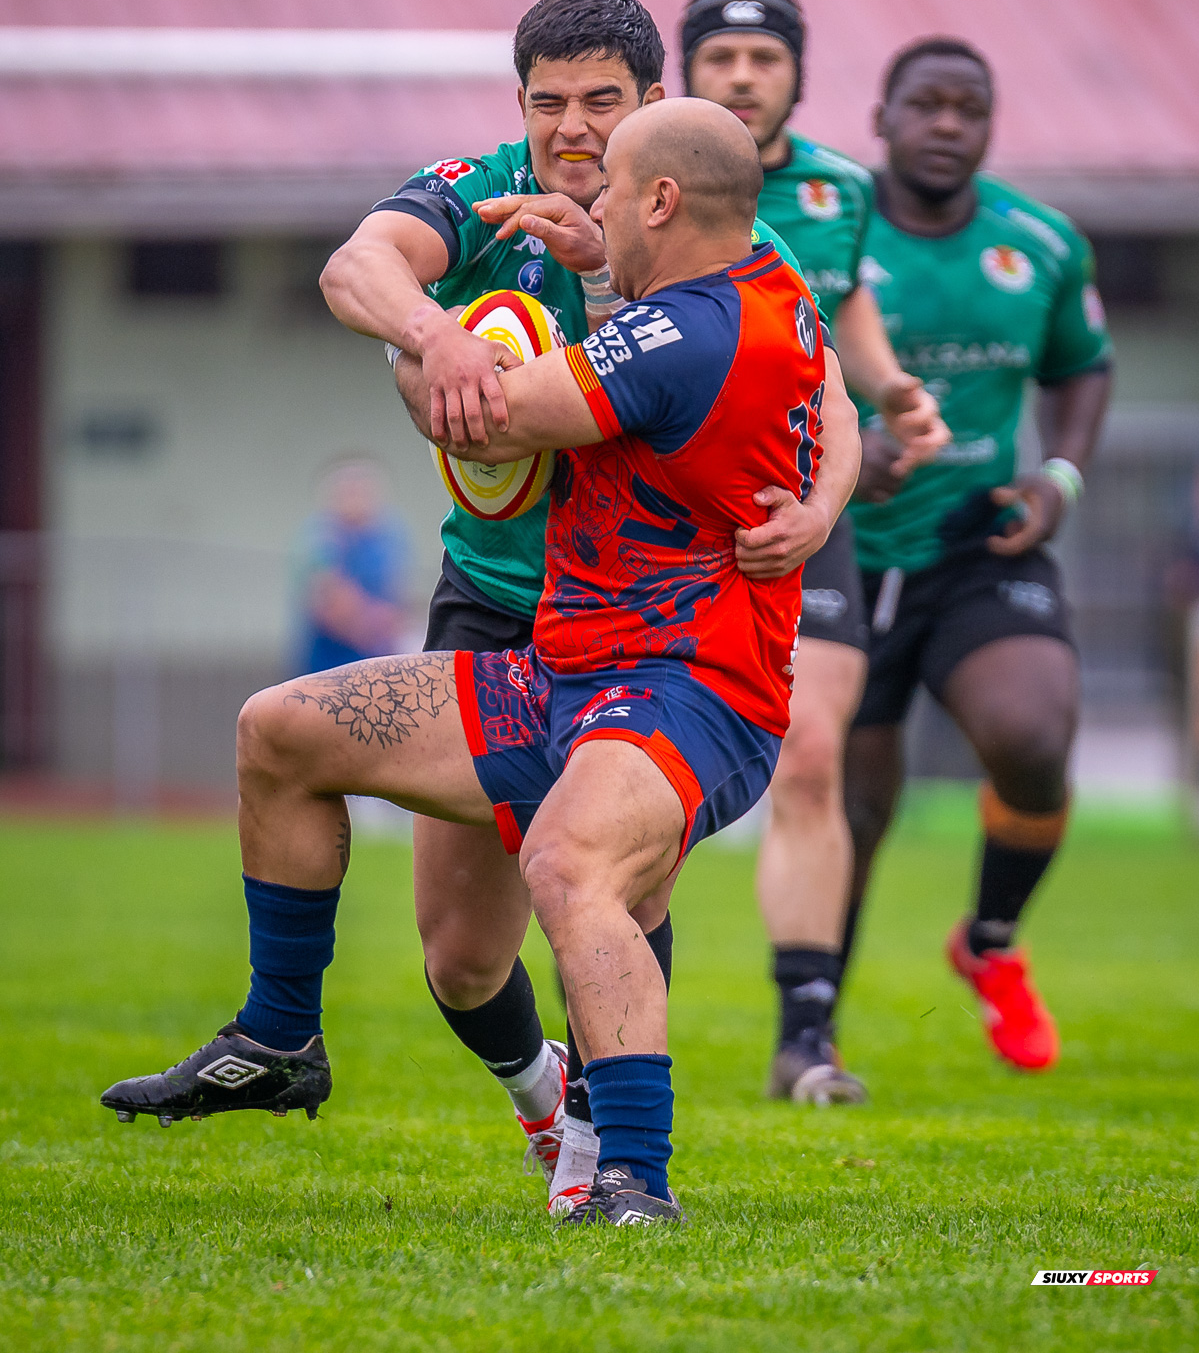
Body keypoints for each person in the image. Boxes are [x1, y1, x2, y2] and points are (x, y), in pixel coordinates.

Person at [99, 97, 862, 1227]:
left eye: (614, 187)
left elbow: (492, 420)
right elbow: (833, 395)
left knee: (568, 863)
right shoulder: (772, 287)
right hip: (562, 669)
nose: (594, 203)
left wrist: (427, 339)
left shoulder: (685, 333)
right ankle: (280, 1036)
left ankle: (633, 1181)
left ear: (660, 199)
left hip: (691, 687)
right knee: (280, 731)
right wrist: (820, 497)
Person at [308, 0, 834, 1212]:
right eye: (549, 102)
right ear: (521, 105)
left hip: (650, 626)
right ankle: (542, 1096)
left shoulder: (705, 220)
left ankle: (613, 1153)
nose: (574, 127)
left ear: (653, 104)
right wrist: (435, 336)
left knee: (606, 875)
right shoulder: (483, 189)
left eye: (603, 101)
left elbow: (830, 394)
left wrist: (819, 508)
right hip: (497, 596)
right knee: (459, 952)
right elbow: (356, 266)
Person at [680, 0, 948, 1105]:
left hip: (806, 507)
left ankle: (807, 1035)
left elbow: (847, 314)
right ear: (686, 72)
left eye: (765, 60)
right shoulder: (645, 180)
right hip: (668, 514)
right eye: (721, 59)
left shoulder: (843, 191)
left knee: (814, 756)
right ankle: (600, 1032)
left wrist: (895, 394)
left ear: (797, 74)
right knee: (624, 767)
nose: (743, 77)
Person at [838, 37, 1112, 1072]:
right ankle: (809, 1026)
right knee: (853, 812)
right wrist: (839, 451)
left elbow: (1084, 366)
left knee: (1034, 736)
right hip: (844, 555)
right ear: (882, 118)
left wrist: (1059, 477)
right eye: (927, 104)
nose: (947, 124)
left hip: (979, 543)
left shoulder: (1040, 243)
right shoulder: (828, 232)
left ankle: (990, 943)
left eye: (969, 108)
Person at [292, 457, 411, 675]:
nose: (356, 497)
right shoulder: (322, 540)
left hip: (375, 664)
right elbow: (329, 605)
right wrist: (374, 625)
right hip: (328, 666)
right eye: (348, 489)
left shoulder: (387, 538)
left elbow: (397, 602)